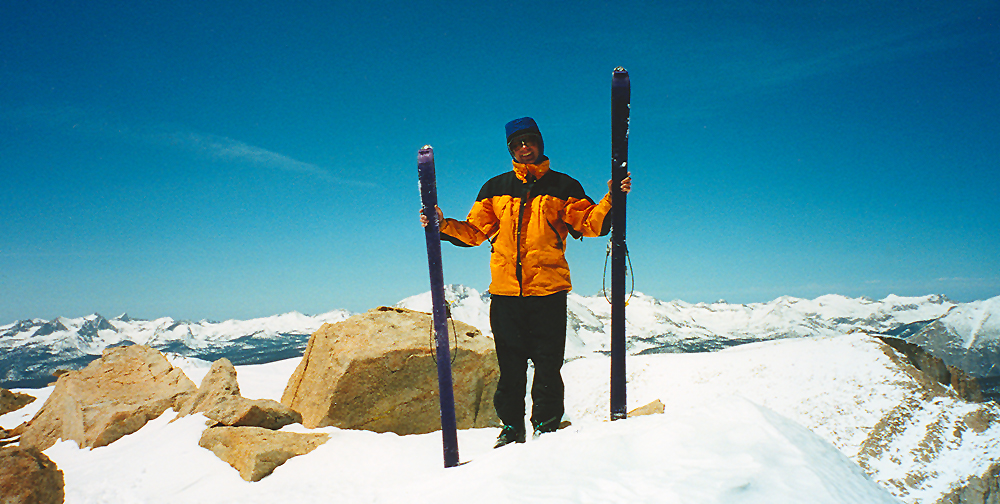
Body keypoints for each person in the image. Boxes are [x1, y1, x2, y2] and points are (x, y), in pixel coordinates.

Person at [421, 117, 631, 448]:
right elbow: (475, 232)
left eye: (529, 141)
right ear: (510, 149)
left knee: (548, 365)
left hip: (548, 292)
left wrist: (611, 198)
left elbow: (591, 224)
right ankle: (511, 427)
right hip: (505, 294)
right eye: (517, 144)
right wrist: (441, 224)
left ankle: (546, 425)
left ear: (540, 143)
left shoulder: (564, 187)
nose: (524, 148)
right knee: (510, 367)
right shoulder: (494, 188)